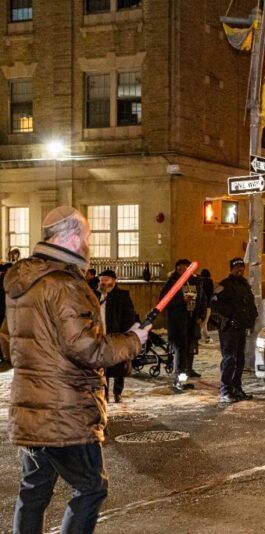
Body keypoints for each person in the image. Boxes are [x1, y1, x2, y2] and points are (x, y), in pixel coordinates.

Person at [0, 206, 149, 534]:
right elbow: (88, 349)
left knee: (33, 491)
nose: (88, 243)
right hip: (65, 412)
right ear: (70, 237)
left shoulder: (24, 283)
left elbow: (9, 342)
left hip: (31, 409)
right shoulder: (65, 284)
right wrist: (132, 341)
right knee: (91, 488)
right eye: (86, 235)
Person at [211, 257, 258, 405]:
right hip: (229, 328)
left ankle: (236, 388)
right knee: (229, 359)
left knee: (239, 359)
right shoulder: (225, 284)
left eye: (242, 267)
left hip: (241, 327)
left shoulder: (244, 285)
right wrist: (230, 316)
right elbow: (214, 303)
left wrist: (252, 319)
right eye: (237, 267)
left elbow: (250, 304)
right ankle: (225, 391)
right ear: (231, 268)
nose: (240, 269)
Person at [161, 259, 206, 389]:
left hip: (192, 321)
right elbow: (164, 300)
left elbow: (202, 299)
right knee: (180, 352)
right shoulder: (172, 282)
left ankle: (184, 378)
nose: (182, 270)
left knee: (188, 350)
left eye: (185, 268)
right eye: (179, 268)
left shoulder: (195, 282)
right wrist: (182, 300)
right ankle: (178, 380)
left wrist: (201, 316)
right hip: (178, 322)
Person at [97, 269, 137, 403]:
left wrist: (125, 333)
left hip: (117, 336)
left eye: (106, 279)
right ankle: (105, 393)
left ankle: (117, 392)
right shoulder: (96, 295)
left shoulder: (122, 296)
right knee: (103, 366)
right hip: (101, 335)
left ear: (114, 281)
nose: (104, 282)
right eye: (102, 280)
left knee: (119, 365)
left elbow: (129, 316)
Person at [199, 268, 215, 343]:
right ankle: (197, 337)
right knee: (204, 321)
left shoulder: (198, 281)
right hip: (207, 305)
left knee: (203, 322)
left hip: (199, 304)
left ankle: (207, 337)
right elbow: (211, 293)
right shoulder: (209, 281)